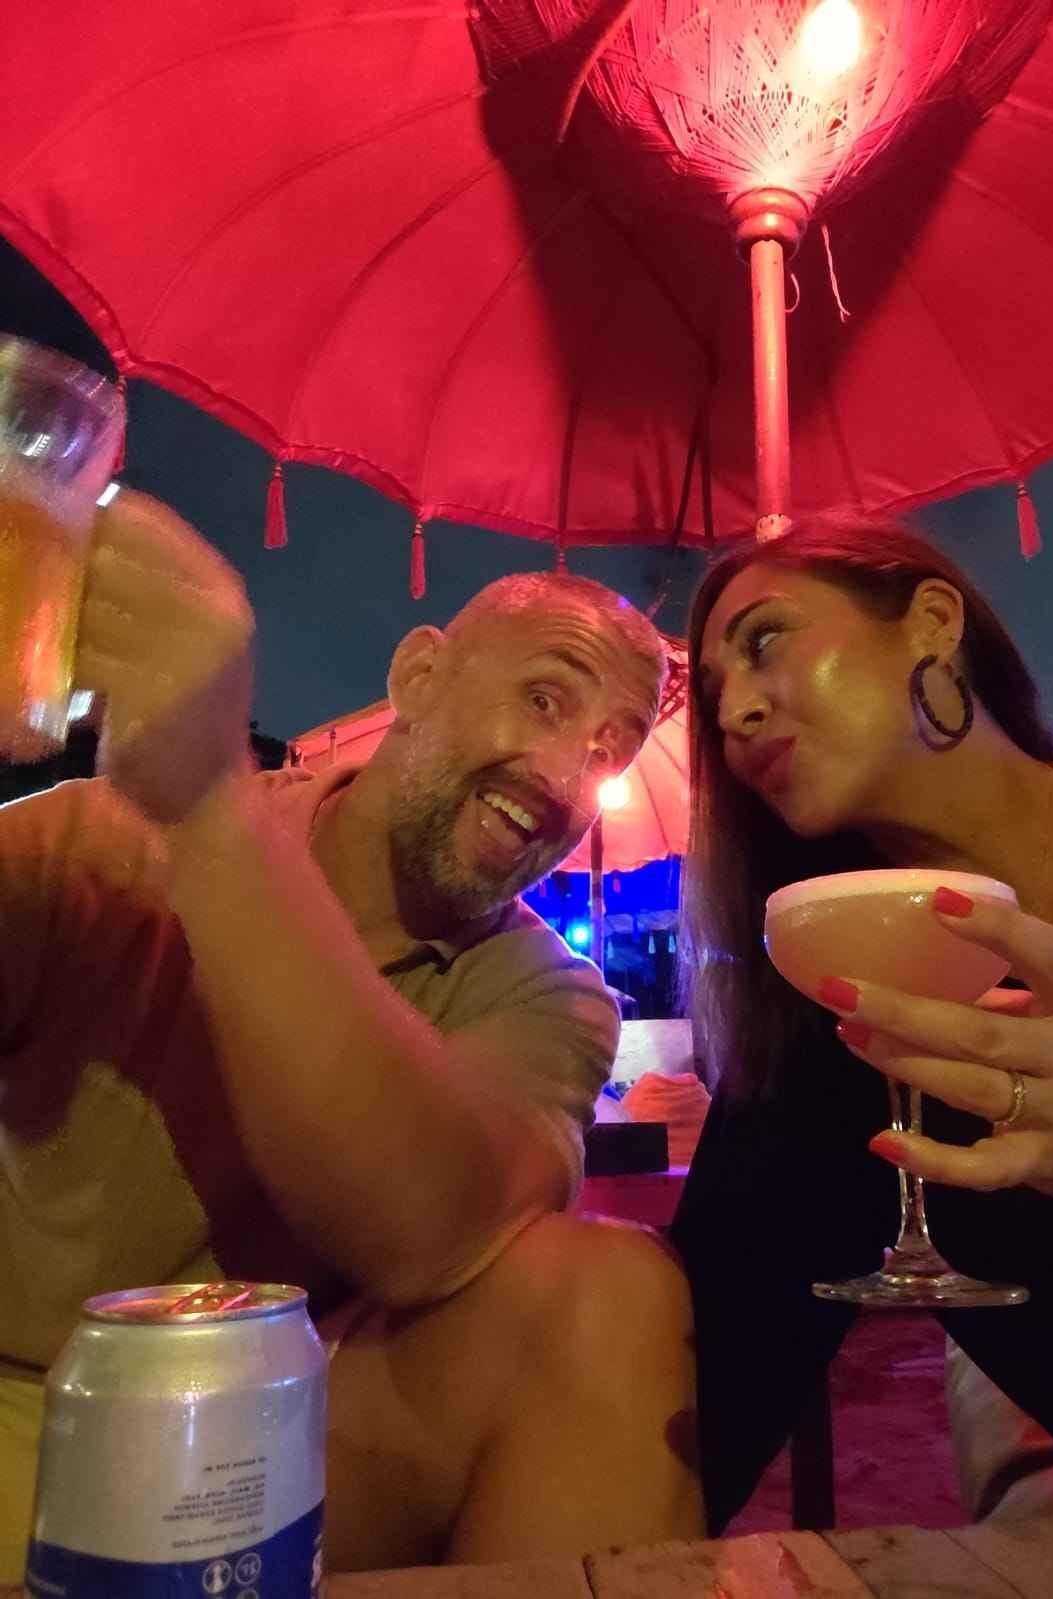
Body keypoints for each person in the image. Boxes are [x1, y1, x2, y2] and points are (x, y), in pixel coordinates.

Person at [0, 490, 703, 1578]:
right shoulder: (101, 841)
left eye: (610, 748)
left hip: (279, 1448)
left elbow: (429, 1227)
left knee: (613, 1296)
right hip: (22, 1410)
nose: (566, 778)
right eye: (544, 699)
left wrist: (214, 816)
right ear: (417, 676)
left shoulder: (549, 993)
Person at [670, 511, 1053, 1533]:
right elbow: (710, 1378)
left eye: (765, 640)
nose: (733, 712)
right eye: (712, 694)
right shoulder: (826, 1035)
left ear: (931, 621)